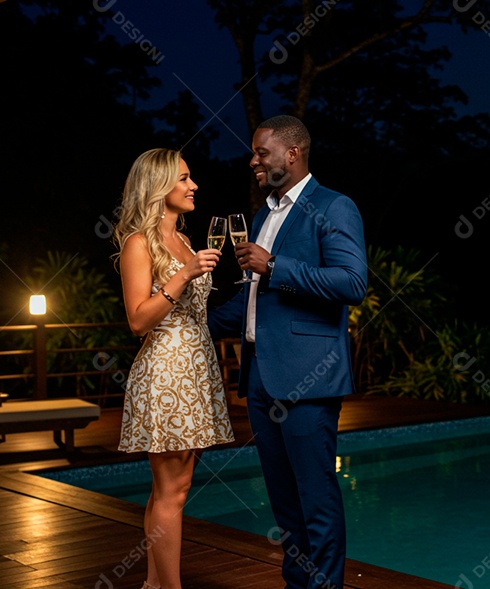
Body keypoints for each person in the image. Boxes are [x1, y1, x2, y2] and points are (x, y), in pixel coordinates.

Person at [208, 115, 367, 589]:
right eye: (253, 153)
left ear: (292, 154)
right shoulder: (263, 215)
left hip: (308, 378)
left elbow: (351, 283)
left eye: (262, 152)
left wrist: (276, 264)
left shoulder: (335, 207)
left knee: (316, 501)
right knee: (284, 504)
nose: (253, 160)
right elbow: (252, 300)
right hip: (261, 378)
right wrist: (188, 324)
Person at [113, 148, 235, 589]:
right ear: (159, 186)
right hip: (165, 373)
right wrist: (183, 275)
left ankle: (153, 583)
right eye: (183, 178)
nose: (194, 185)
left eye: (191, 178)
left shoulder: (184, 239)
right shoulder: (137, 243)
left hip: (196, 373)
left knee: (171, 489)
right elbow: (137, 320)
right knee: (174, 491)